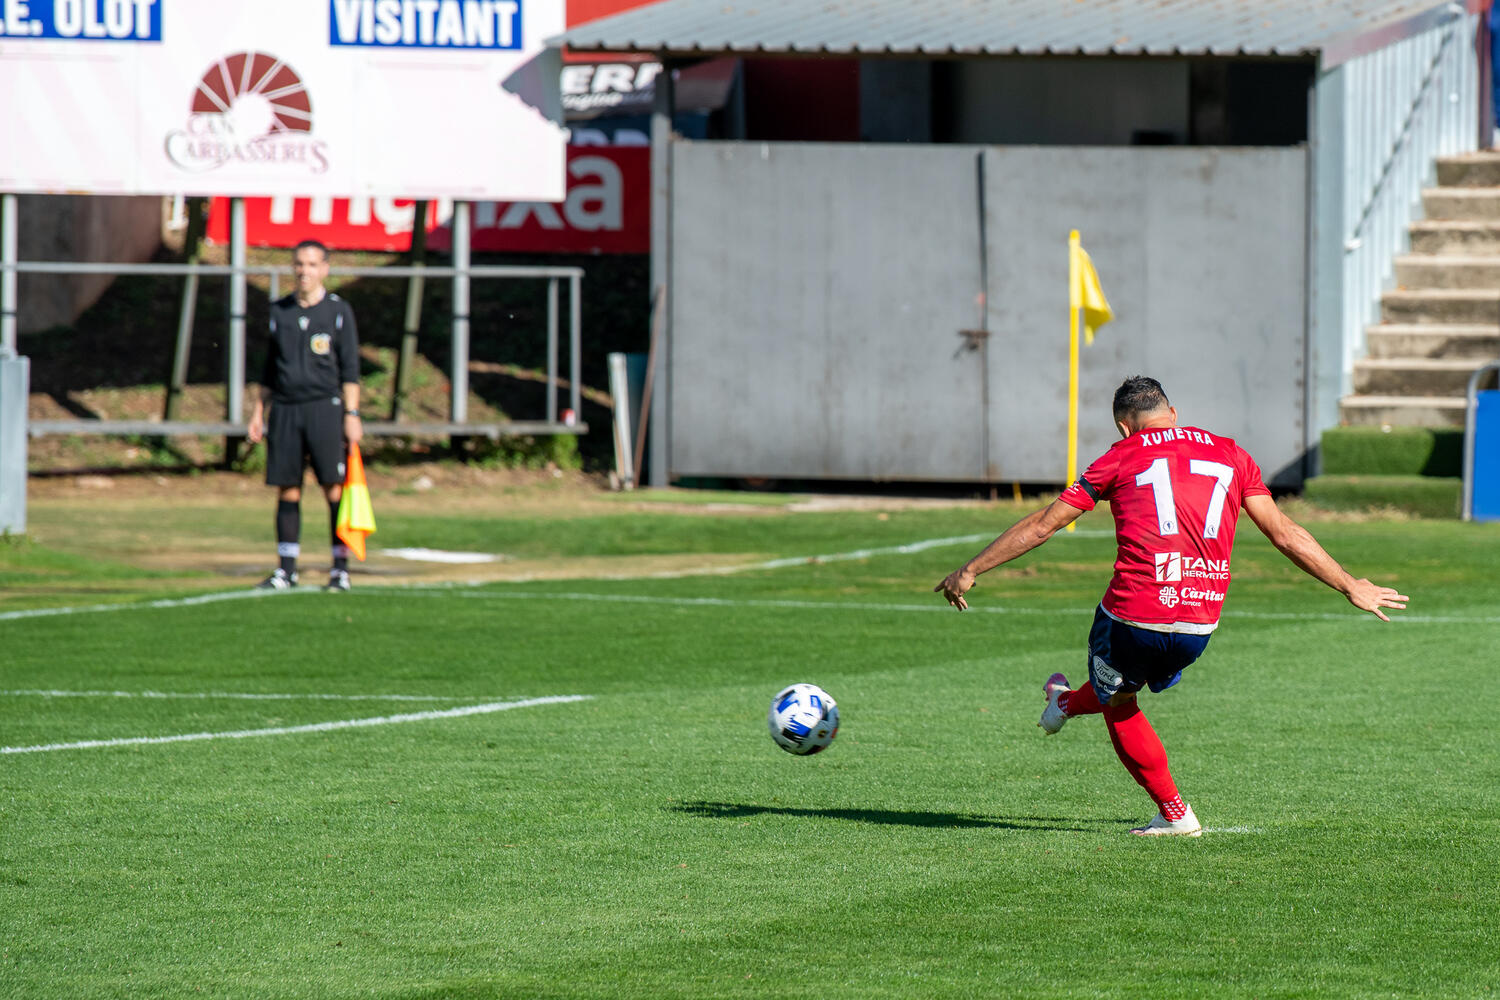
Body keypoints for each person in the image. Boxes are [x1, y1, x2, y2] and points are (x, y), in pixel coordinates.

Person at [934, 376, 1407, 837]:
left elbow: (1044, 525)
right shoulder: (1232, 453)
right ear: (1173, 413)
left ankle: (1174, 813)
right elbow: (1283, 533)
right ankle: (1063, 704)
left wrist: (970, 569)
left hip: (1134, 614)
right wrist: (1350, 585)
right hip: (1200, 621)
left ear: (1124, 426)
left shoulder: (1119, 455)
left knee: (1119, 699)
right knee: (1120, 681)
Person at [247, 239, 364, 592]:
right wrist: (258, 412)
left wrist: (352, 413)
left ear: (324, 269)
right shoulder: (279, 311)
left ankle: (339, 568)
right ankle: (286, 569)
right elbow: (269, 370)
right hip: (285, 409)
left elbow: (350, 368)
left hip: (325, 408)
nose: (304, 271)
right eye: (299, 264)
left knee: (333, 487)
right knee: (288, 488)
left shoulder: (338, 311)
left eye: (312, 264)